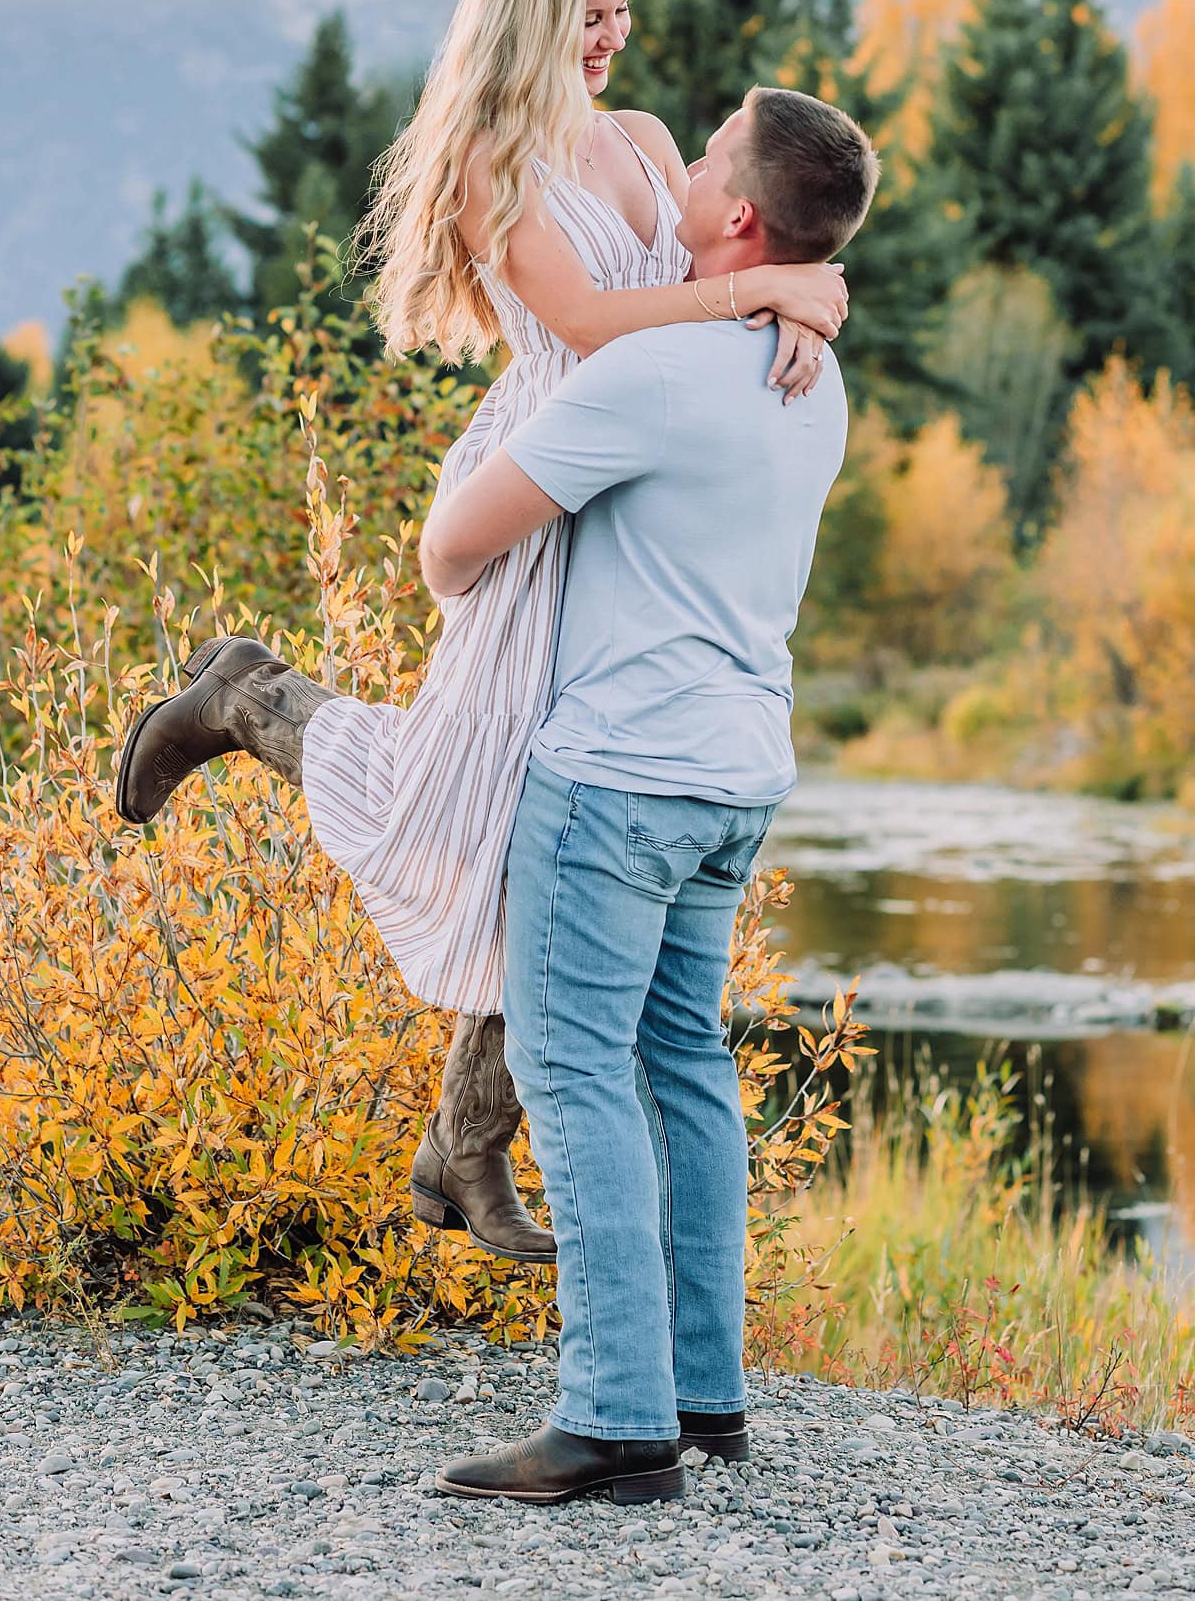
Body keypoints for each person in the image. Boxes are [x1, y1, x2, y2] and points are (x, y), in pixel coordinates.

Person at [113, 0, 847, 1265]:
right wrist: (766, 300)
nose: (615, 39)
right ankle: (247, 696)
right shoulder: (491, 166)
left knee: (550, 844)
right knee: (463, 803)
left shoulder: (640, 140)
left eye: (625, 12)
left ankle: (460, 1148)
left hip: (636, 496)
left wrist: (805, 290)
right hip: (543, 485)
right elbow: (587, 324)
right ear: (531, 13)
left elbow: (723, 246)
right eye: (591, 15)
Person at [414, 84, 879, 1506]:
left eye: (713, 149)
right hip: (738, 776)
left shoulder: (648, 376)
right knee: (685, 1064)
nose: (684, 153)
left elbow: (449, 551)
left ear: (736, 210)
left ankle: (614, 1415)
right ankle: (705, 1391)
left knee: (572, 1073)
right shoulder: (813, 373)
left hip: (616, 777)